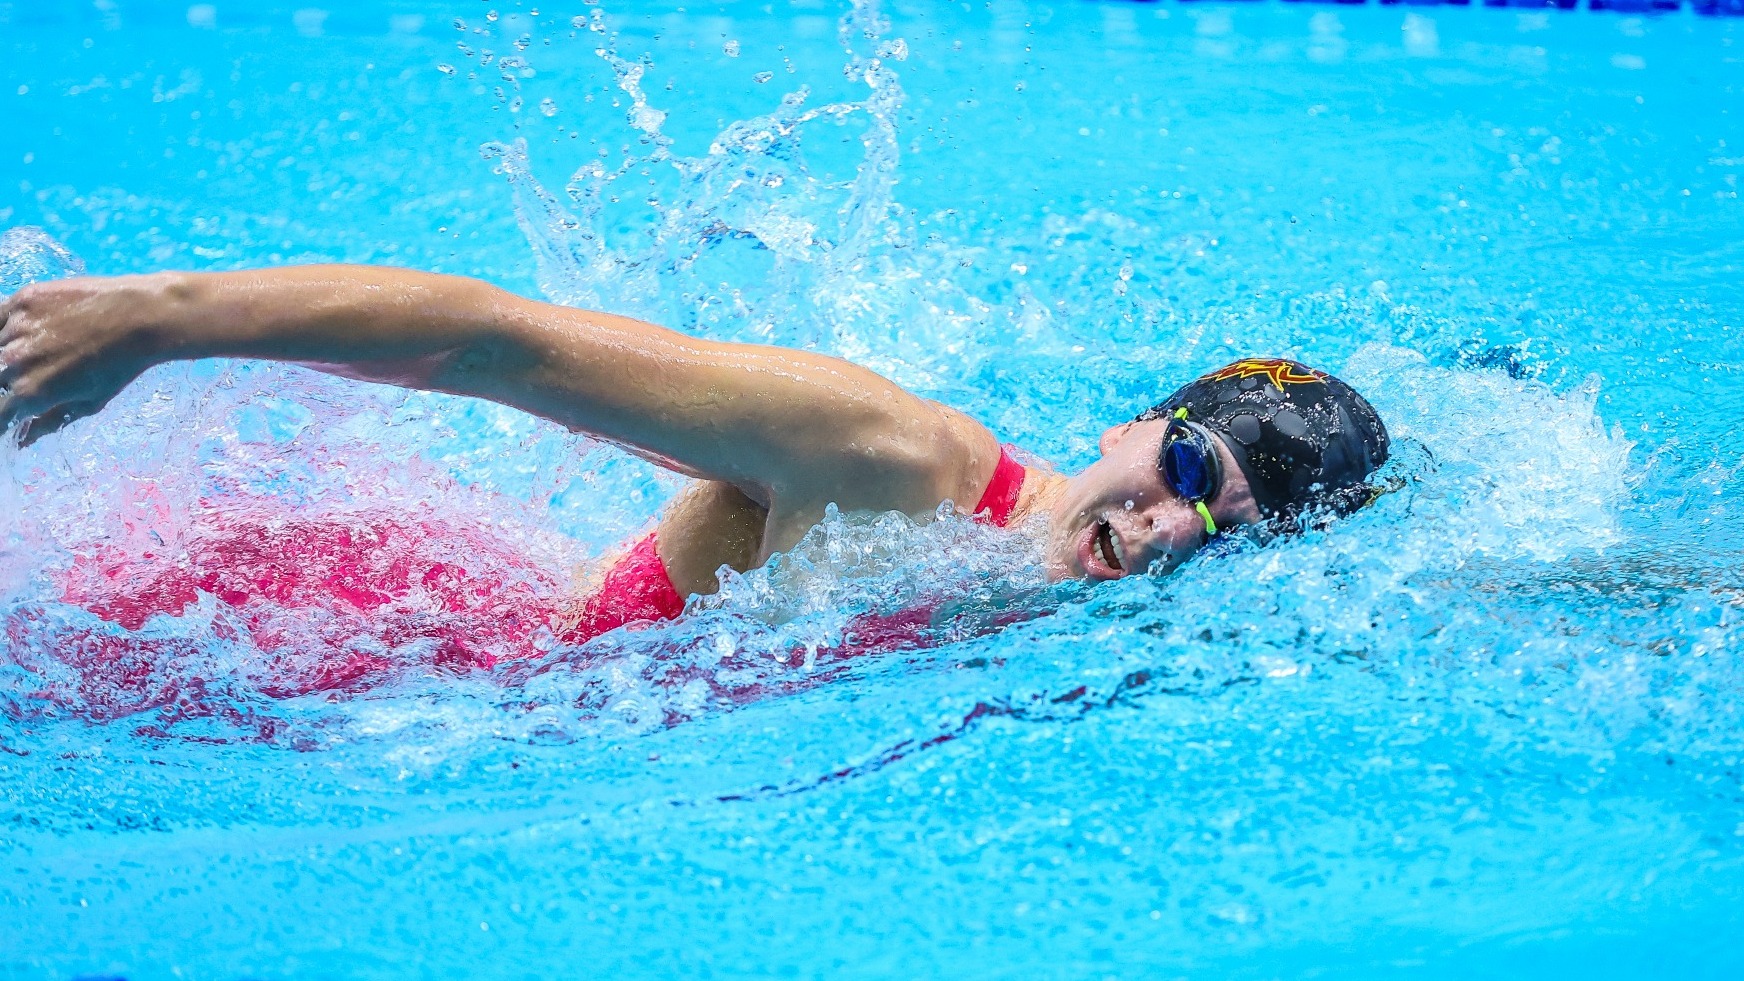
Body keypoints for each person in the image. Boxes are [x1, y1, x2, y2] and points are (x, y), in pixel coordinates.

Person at [0, 266, 1390, 657]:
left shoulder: (1041, 602)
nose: (1167, 526)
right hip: (354, 640)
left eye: (1223, 528)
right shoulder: (894, 457)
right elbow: (498, 342)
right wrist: (153, 321)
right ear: (1133, 424)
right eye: (1191, 466)